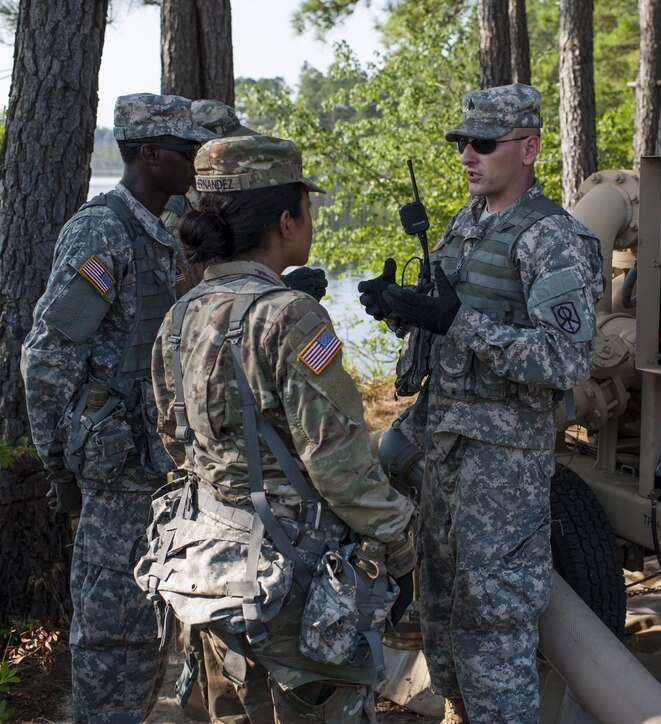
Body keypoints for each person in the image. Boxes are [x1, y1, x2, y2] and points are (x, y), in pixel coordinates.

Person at [147, 134, 416, 721]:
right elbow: (338, 465)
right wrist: (400, 536)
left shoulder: (182, 313)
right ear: (287, 219)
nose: (311, 221)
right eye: (309, 208)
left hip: (206, 573)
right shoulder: (290, 314)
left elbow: (177, 438)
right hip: (293, 586)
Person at [358, 83, 603, 723]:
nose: (467, 156)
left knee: (494, 627)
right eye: (461, 143)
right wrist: (398, 309)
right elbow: (446, 319)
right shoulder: (468, 223)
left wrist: (458, 322)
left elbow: (566, 360)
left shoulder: (551, 239)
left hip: (504, 463)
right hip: (445, 447)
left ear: (529, 148)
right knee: (440, 614)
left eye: (483, 145)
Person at [21, 93, 216, 721]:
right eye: (186, 151)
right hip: (118, 472)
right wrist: (60, 465)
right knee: (112, 644)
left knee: (159, 634)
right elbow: (48, 355)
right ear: (150, 154)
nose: (195, 161)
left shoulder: (170, 228)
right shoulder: (103, 230)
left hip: (171, 468)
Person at [162, 99, 328, 302]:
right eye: (228, 148)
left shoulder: (233, 202)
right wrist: (279, 290)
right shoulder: (176, 213)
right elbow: (184, 295)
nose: (238, 158)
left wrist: (274, 284)